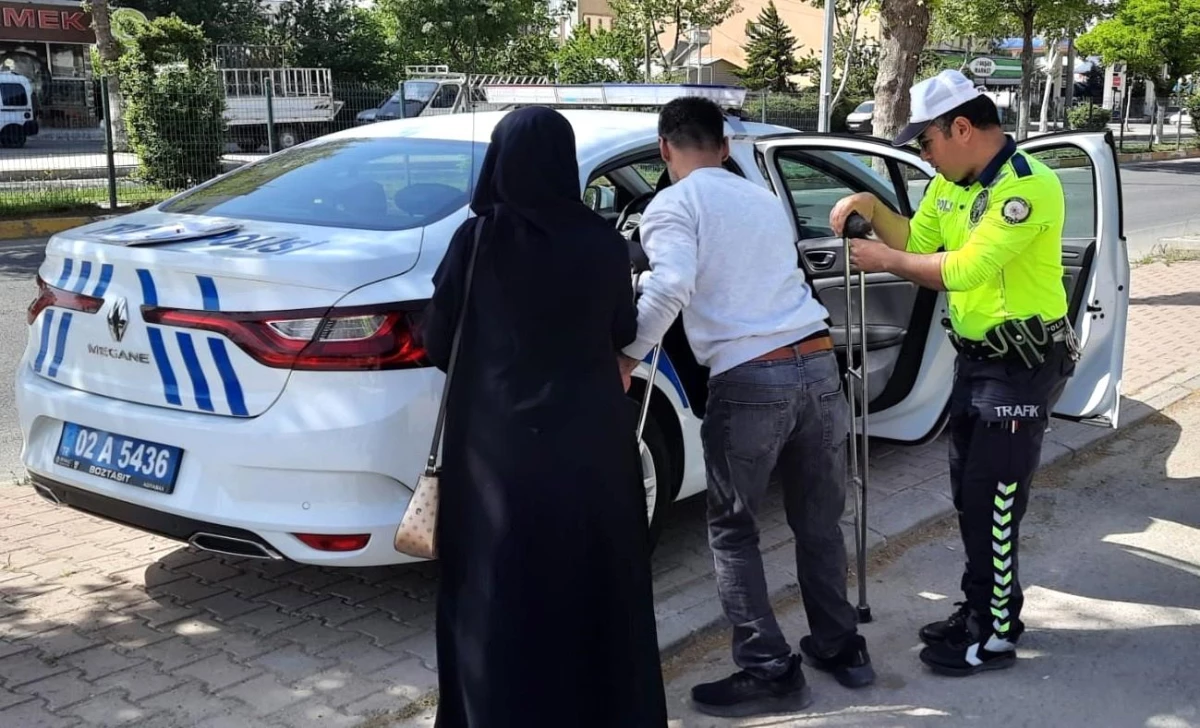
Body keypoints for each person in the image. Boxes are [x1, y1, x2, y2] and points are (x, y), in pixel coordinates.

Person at [619, 96, 875, 719]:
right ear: (725, 147)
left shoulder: (673, 204)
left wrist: (625, 358)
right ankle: (842, 648)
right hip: (817, 365)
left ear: (664, 149)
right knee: (818, 520)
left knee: (734, 530)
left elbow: (670, 284)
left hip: (750, 378)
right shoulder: (762, 199)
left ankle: (768, 668)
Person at [422, 106, 668, 727]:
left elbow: (436, 340)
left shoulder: (476, 240)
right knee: (590, 587)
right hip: (589, 447)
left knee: (495, 592)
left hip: (494, 452)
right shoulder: (600, 240)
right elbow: (622, 329)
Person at [829, 69, 1078, 677]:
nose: (924, 154)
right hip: (976, 361)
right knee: (971, 498)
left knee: (992, 502)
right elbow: (917, 236)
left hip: (1020, 367)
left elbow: (961, 270)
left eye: (927, 143)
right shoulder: (951, 186)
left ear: (961, 128)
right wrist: (870, 206)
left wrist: (883, 259)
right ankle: (980, 610)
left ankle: (994, 636)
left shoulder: (1027, 188)